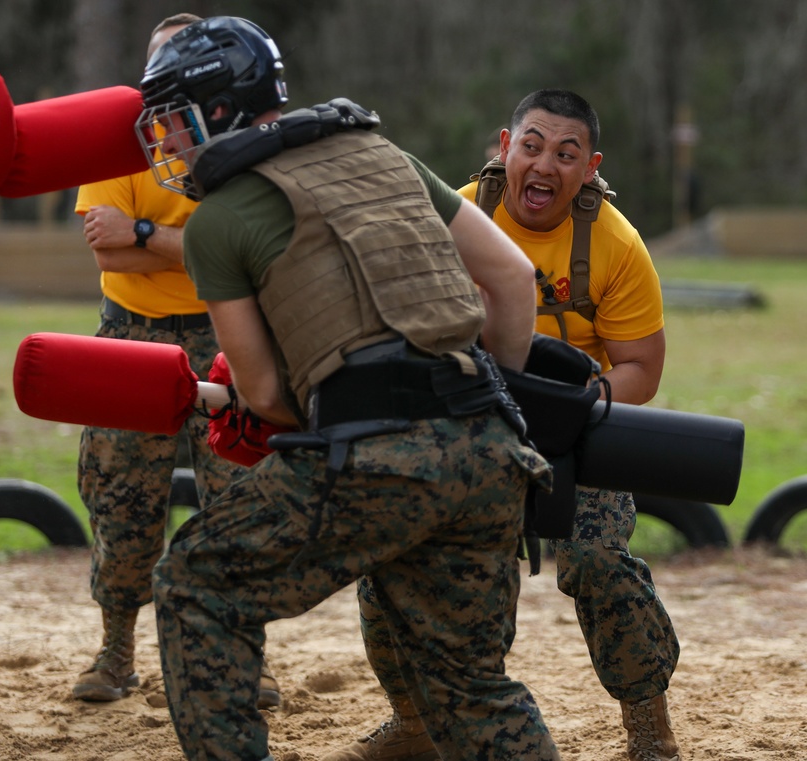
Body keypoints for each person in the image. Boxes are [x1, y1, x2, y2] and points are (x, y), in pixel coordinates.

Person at [137, 16, 563, 761]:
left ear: (217, 109)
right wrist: (474, 402)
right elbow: (512, 279)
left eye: (173, 119)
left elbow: (265, 390)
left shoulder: (218, 222)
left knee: (196, 585)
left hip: (376, 458)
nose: (167, 141)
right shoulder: (384, 154)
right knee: (469, 685)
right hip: (493, 445)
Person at [330, 89, 679, 761]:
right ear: (504, 146)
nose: (545, 164)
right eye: (533, 145)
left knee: (601, 561)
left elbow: (641, 368)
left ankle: (647, 720)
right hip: (467, 423)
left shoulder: (617, 244)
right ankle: (414, 720)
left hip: (579, 426)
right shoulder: (451, 215)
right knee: (393, 558)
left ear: (590, 166)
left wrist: (573, 408)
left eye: (566, 153)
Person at [71, 13, 280, 709]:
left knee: (242, 496)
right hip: (131, 331)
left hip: (225, 329)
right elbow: (107, 249)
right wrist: (174, 240)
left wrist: (142, 233)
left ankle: (249, 656)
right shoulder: (115, 143)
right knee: (121, 498)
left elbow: (237, 246)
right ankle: (116, 649)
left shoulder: (235, 139)